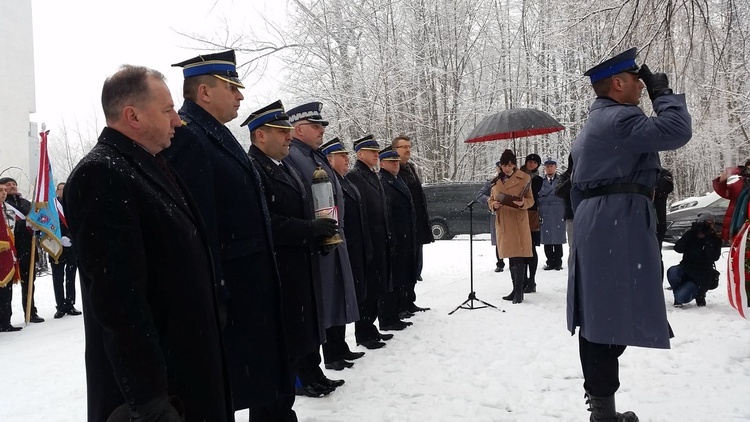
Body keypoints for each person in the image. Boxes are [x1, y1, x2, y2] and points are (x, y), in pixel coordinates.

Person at [64, 65, 232, 422]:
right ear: (132, 115)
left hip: (187, 370)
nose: (178, 120)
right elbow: (119, 301)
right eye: (168, 110)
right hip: (162, 392)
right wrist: (150, 401)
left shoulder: (147, 164)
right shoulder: (102, 173)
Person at [164, 50, 293, 419]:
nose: (240, 96)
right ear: (204, 92)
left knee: (258, 389)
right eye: (232, 87)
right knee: (228, 393)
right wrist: (217, 292)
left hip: (247, 290)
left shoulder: (214, 133)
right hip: (231, 294)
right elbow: (199, 227)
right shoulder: (189, 138)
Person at [568, 48, 692, 420]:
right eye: (637, 81)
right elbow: (677, 130)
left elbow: (575, 187)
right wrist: (663, 96)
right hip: (615, 223)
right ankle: (603, 412)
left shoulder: (598, 122)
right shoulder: (619, 119)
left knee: (600, 314)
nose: (642, 85)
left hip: (603, 221)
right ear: (618, 84)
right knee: (607, 317)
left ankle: (603, 408)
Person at [244, 101, 340, 402]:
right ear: (261, 135)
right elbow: (267, 222)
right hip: (282, 265)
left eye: (289, 130)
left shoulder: (282, 165)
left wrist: (318, 234)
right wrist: (310, 229)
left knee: (306, 325)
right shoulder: (255, 169)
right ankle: (301, 379)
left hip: (300, 259)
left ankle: (313, 374)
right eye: (282, 130)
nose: (289, 136)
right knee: (293, 331)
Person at [285, 102, 360, 393]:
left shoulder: (313, 156)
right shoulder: (293, 156)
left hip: (327, 241)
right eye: (316, 126)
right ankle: (304, 376)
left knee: (322, 310)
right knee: (311, 313)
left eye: (322, 126)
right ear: (298, 129)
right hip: (313, 243)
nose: (321, 131)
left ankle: (313, 371)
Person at [323, 137, 390, 350]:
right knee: (349, 296)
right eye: (342, 156)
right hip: (346, 246)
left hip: (363, 244)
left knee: (369, 290)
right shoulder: (340, 179)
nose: (346, 159)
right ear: (329, 159)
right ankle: (347, 343)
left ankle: (363, 333)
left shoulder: (347, 181)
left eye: (346, 155)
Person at [346, 135, 395, 346]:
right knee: (368, 290)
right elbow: (361, 212)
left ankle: (370, 328)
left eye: (377, 151)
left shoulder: (372, 175)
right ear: (359, 153)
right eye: (371, 151)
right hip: (368, 241)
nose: (376, 154)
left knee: (376, 288)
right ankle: (363, 332)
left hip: (379, 239)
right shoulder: (355, 176)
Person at [379, 146, 420, 326]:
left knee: (405, 272)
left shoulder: (397, 179)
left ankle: (403, 305)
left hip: (406, 235)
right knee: (395, 276)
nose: (395, 165)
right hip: (395, 236)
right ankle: (392, 313)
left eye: (396, 162)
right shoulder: (383, 181)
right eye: (391, 162)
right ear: (382, 163)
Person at [487, 149, 534, 304]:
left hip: (518, 220)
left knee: (518, 256)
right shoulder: (496, 181)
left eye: (509, 165)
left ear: (514, 165)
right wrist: (493, 204)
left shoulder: (524, 178)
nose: (506, 168)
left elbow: (531, 200)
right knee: (510, 257)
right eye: (504, 165)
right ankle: (514, 288)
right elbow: (490, 199)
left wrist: (523, 203)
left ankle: (519, 291)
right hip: (504, 221)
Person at [392, 135, 435, 286]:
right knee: (407, 264)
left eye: (409, 147)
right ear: (394, 149)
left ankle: (411, 297)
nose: (408, 150)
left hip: (417, 222)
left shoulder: (410, 167)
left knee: (417, 260)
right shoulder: (395, 171)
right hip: (405, 225)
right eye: (404, 147)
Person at [1, 177, 43, 323]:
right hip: (10, 249)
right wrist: (25, 224)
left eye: (14, 184)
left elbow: (36, 220)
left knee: (29, 282)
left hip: (28, 248)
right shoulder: (3, 204)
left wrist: (37, 227)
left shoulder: (26, 203)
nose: (12, 187)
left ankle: (31, 312)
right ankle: (5, 317)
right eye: (8, 185)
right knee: (6, 286)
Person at [667, 212, 722, 307]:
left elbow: (714, 257)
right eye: (702, 222)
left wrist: (708, 237)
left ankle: (698, 294)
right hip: (686, 268)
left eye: (708, 223)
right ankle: (678, 296)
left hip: (702, 275)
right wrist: (691, 233)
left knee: (681, 296)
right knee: (673, 271)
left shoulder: (714, 239)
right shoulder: (691, 235)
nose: (704, 225)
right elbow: (678, 248)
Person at [51, 182, 81, 319]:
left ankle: (70, 303)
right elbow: (48, 223)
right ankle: (60, 306)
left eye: (65, 189)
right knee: (57, 277)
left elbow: (78, 222)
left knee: (71, 276)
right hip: (55, 245)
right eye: (61, 189)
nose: (63, 191)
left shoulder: (73, 204)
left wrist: (70, 237)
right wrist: (58, 238)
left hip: (70, 245)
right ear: (56, 191)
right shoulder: (51, 207)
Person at [0, 184, 22, 332]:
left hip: (9, 253)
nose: (4, 193)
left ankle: (5, 321)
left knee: (6, 292)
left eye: (5, 191)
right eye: (0, 190)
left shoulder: (8, 209)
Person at [519, 153, 543, 293]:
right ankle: (521, 279)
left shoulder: (538, 179)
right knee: (520, 248)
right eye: (530, 161)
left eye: (535, 162)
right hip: (518, 212)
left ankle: (531, 280)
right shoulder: (518, 175)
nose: (531, 164)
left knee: (531, 248)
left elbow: (532, 192)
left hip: (531, 213)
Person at [538, 157, 566, 271]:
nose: (549, 168)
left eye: (552, 166)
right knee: (547, 238)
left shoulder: (561, 180)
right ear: (544, 167)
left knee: (558, 238)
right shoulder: (541, 181)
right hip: (545, 212)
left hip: (558, 212)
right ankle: (550, 261)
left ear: (556, 167)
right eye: (547, 166)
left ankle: (558, 262)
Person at [477, 162, 505, 273]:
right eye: (500, 167)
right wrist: (490, 200)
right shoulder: (492, 182)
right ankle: (500, 262)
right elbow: (480, 195)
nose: (501, 169)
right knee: (498, 240)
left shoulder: (513, 181)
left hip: (510, 214)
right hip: (496, 214)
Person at [713, 159, 750, 242]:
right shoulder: (741, 184)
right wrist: (722, 179)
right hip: (740, 227)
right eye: (748, 169)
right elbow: (724, 191)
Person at [555, 154, 574, 254]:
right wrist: (571, 179)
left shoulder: (587, 174)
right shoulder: (565, 176)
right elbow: (559, 192)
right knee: (573, 248)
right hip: (571, 215)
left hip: (587, 214)